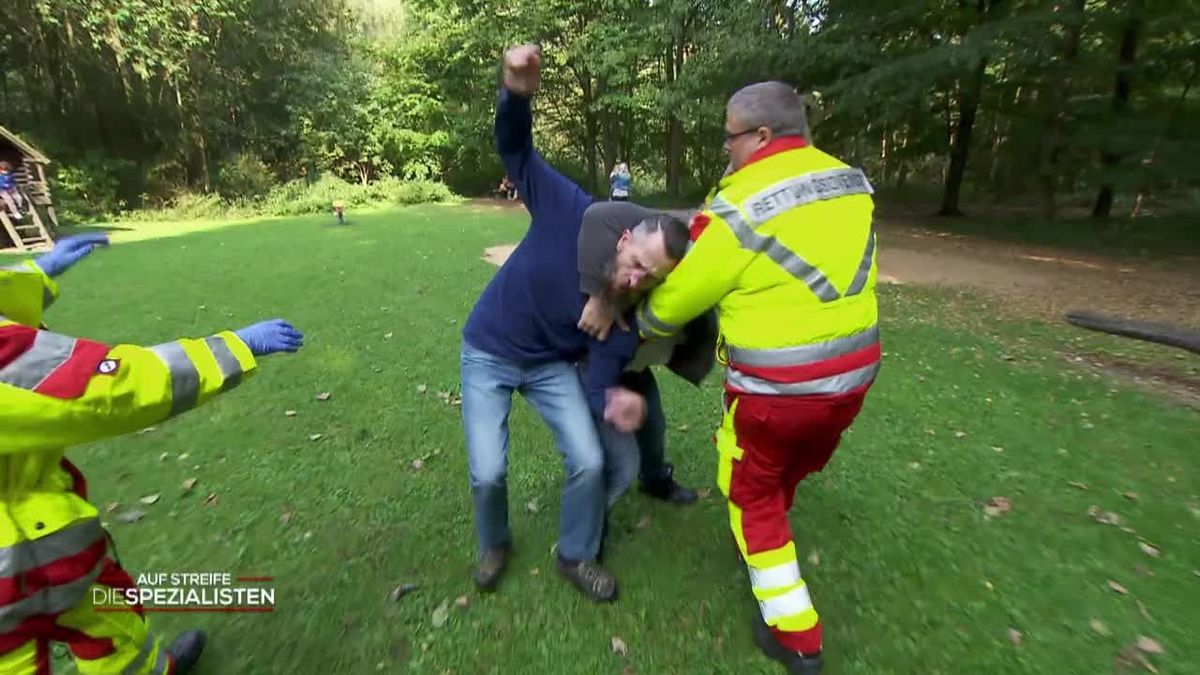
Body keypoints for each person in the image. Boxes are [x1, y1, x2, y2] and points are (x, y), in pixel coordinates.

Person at [636, 81, 881, 674]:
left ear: (762, 136)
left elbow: (678, 302)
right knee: (786, 469)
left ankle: (796, 635)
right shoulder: (848, 182)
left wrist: (639, 318)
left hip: (777, 392)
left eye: (730, 138)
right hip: (853, 381)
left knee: (750, 493)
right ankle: (774, 514)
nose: (727, 150)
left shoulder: (744, 202)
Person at [0, 233, 305, 674]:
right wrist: (235, 348)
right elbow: (112, 387)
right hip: (27, 556)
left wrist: (36, 275)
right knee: (111, 636)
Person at [460, 44, 688, 603]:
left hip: (549, 366)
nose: (636, 281)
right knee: (488, 472)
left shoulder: (632, 299)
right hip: (488, 351)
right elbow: (516, 150)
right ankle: (494, 543)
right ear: (625, 238)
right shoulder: (572, 207)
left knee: (589, 459)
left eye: (650, 280)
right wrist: (516, 93)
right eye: (636, 265)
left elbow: (609, 357)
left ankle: (576, 554)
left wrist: (616, 398)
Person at [576, 201, 718, 508]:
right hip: (598, 359)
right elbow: (597, 216)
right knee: (608, 451)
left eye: (651, 274)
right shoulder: (646, 239)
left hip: (633, 362)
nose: (637, 278)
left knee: (653, 424)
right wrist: (598, 297)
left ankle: (654, 481)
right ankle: (588, 521)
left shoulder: (686, 268)